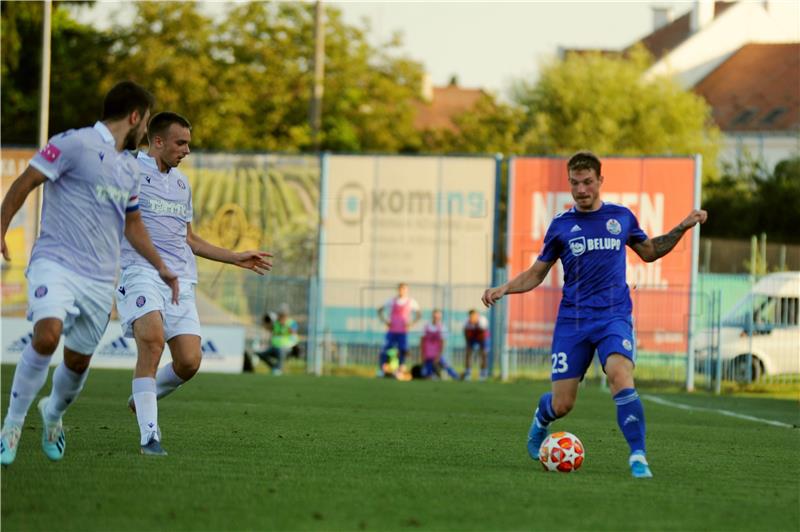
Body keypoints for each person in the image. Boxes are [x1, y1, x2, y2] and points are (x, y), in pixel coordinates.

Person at [482, 151, 707, 479]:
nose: (581, 189)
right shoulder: (560, 226)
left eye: (588, 182)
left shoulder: (621, 218)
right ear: (569, 183)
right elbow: (537, 273)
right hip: (573, 322)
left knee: (620, 375)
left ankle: (638, 456)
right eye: (575, 183)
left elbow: (650, 252)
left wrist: (683, 227)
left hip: (613, 316)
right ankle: (541, 419)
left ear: (600, 181)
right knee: (563, 405)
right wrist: (504, 288)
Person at [0, 81, 179, 466]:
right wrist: (0, 227)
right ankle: (11, 425)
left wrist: (162, 266)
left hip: (100, 280)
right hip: (56, 262)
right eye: (146, 121)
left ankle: (52, 416)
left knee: (78, 362)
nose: (146, 131)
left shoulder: (129, 168)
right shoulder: (73, 143)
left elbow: (132, 226)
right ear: (134, 117)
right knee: (47, 335)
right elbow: (25, 182)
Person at [116, 112, 272, 455]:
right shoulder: (130, 171)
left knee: (189, 362)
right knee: (152, 342)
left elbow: (189, 239)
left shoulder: (182, 184)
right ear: (157, 141)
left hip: (181, 281)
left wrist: (234, 257)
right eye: (180, 143)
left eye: (188, 143)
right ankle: (150, 436)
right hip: (141, 272)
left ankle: (144, 396)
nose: (186, 150)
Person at [376, 283, 421, 377]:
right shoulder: (391, 301)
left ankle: (400, 371)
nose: (402, 291)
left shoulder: (411, 301)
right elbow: (379, 310)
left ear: (407, 290)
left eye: (404, 289)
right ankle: (383, 370)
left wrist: (411, 323)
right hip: (391, 331)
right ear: (398, 290)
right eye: (400, 289)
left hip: (403, 332)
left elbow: (418, 314)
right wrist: (385, 321)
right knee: (385, 350)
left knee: (403, 351)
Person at [254, 304, 299, 375]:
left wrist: (284, 325)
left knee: (280, 351)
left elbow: (293, 331)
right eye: (280, 314)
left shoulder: (291, 323)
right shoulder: (276, 323)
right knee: (259, 354)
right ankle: (274, 368)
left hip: (288, 348)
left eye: (282, 314)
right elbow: (267, 328)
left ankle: (278, 369)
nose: (280, 316)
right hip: (274, 347)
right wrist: (266, 321)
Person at [419, 309, 459, 380]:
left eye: (438, 317)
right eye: (435, 316)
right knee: (425, 373)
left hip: (436, 353)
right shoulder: (426, 327)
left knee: (445, 365)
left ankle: (456, 376)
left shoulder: (442, 328)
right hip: (427, 353)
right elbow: (422, 341)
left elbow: (443, 343)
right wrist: (422, 353)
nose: (436, 318)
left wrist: (439, 355)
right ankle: (432, 376)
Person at [462, 309, 490, 381]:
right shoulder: (466, 322)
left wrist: (482, 348)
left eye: (474, 316)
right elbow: (466, 334)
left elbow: (483, 335)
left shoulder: (483, 321)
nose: (472, 318)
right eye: (471, 316)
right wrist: (468, 345)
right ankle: (468, 373)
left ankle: (483, 373)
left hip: (482, 337)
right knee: (468, 353)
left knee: (484, 354)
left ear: (477, 315)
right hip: (472, 337)